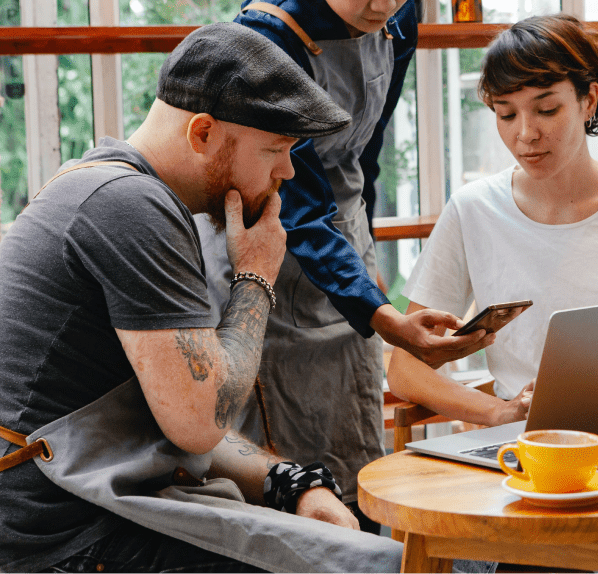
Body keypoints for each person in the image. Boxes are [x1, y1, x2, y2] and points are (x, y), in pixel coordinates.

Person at [0, 24, 403, 574]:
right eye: (275, 150)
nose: (286, 171)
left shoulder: (107, 185)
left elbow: (174, 411)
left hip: (84, 504)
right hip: (59, 535)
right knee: (386, 567)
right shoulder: (129, 206)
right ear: (203, 133)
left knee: (382, 557)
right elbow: (199, 421)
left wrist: (285, 482)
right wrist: (256, 276)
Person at [194, 0, 493, 531]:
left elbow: (366, 151)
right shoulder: (267, 35)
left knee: (353, 427)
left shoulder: (400, 17)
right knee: (284, 442)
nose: (382, 5)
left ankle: (364, 543)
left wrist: (365, 264)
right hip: (275, 231)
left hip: (345, 234)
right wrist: (384, 316)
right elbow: (302, 203)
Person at [388, 13, 598, 430]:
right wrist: (497, 413)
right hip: (524, 446)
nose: (526, 134)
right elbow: (405, 368)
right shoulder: (472, 209)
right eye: (506, 114)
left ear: (588, 99)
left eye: (546, 109)